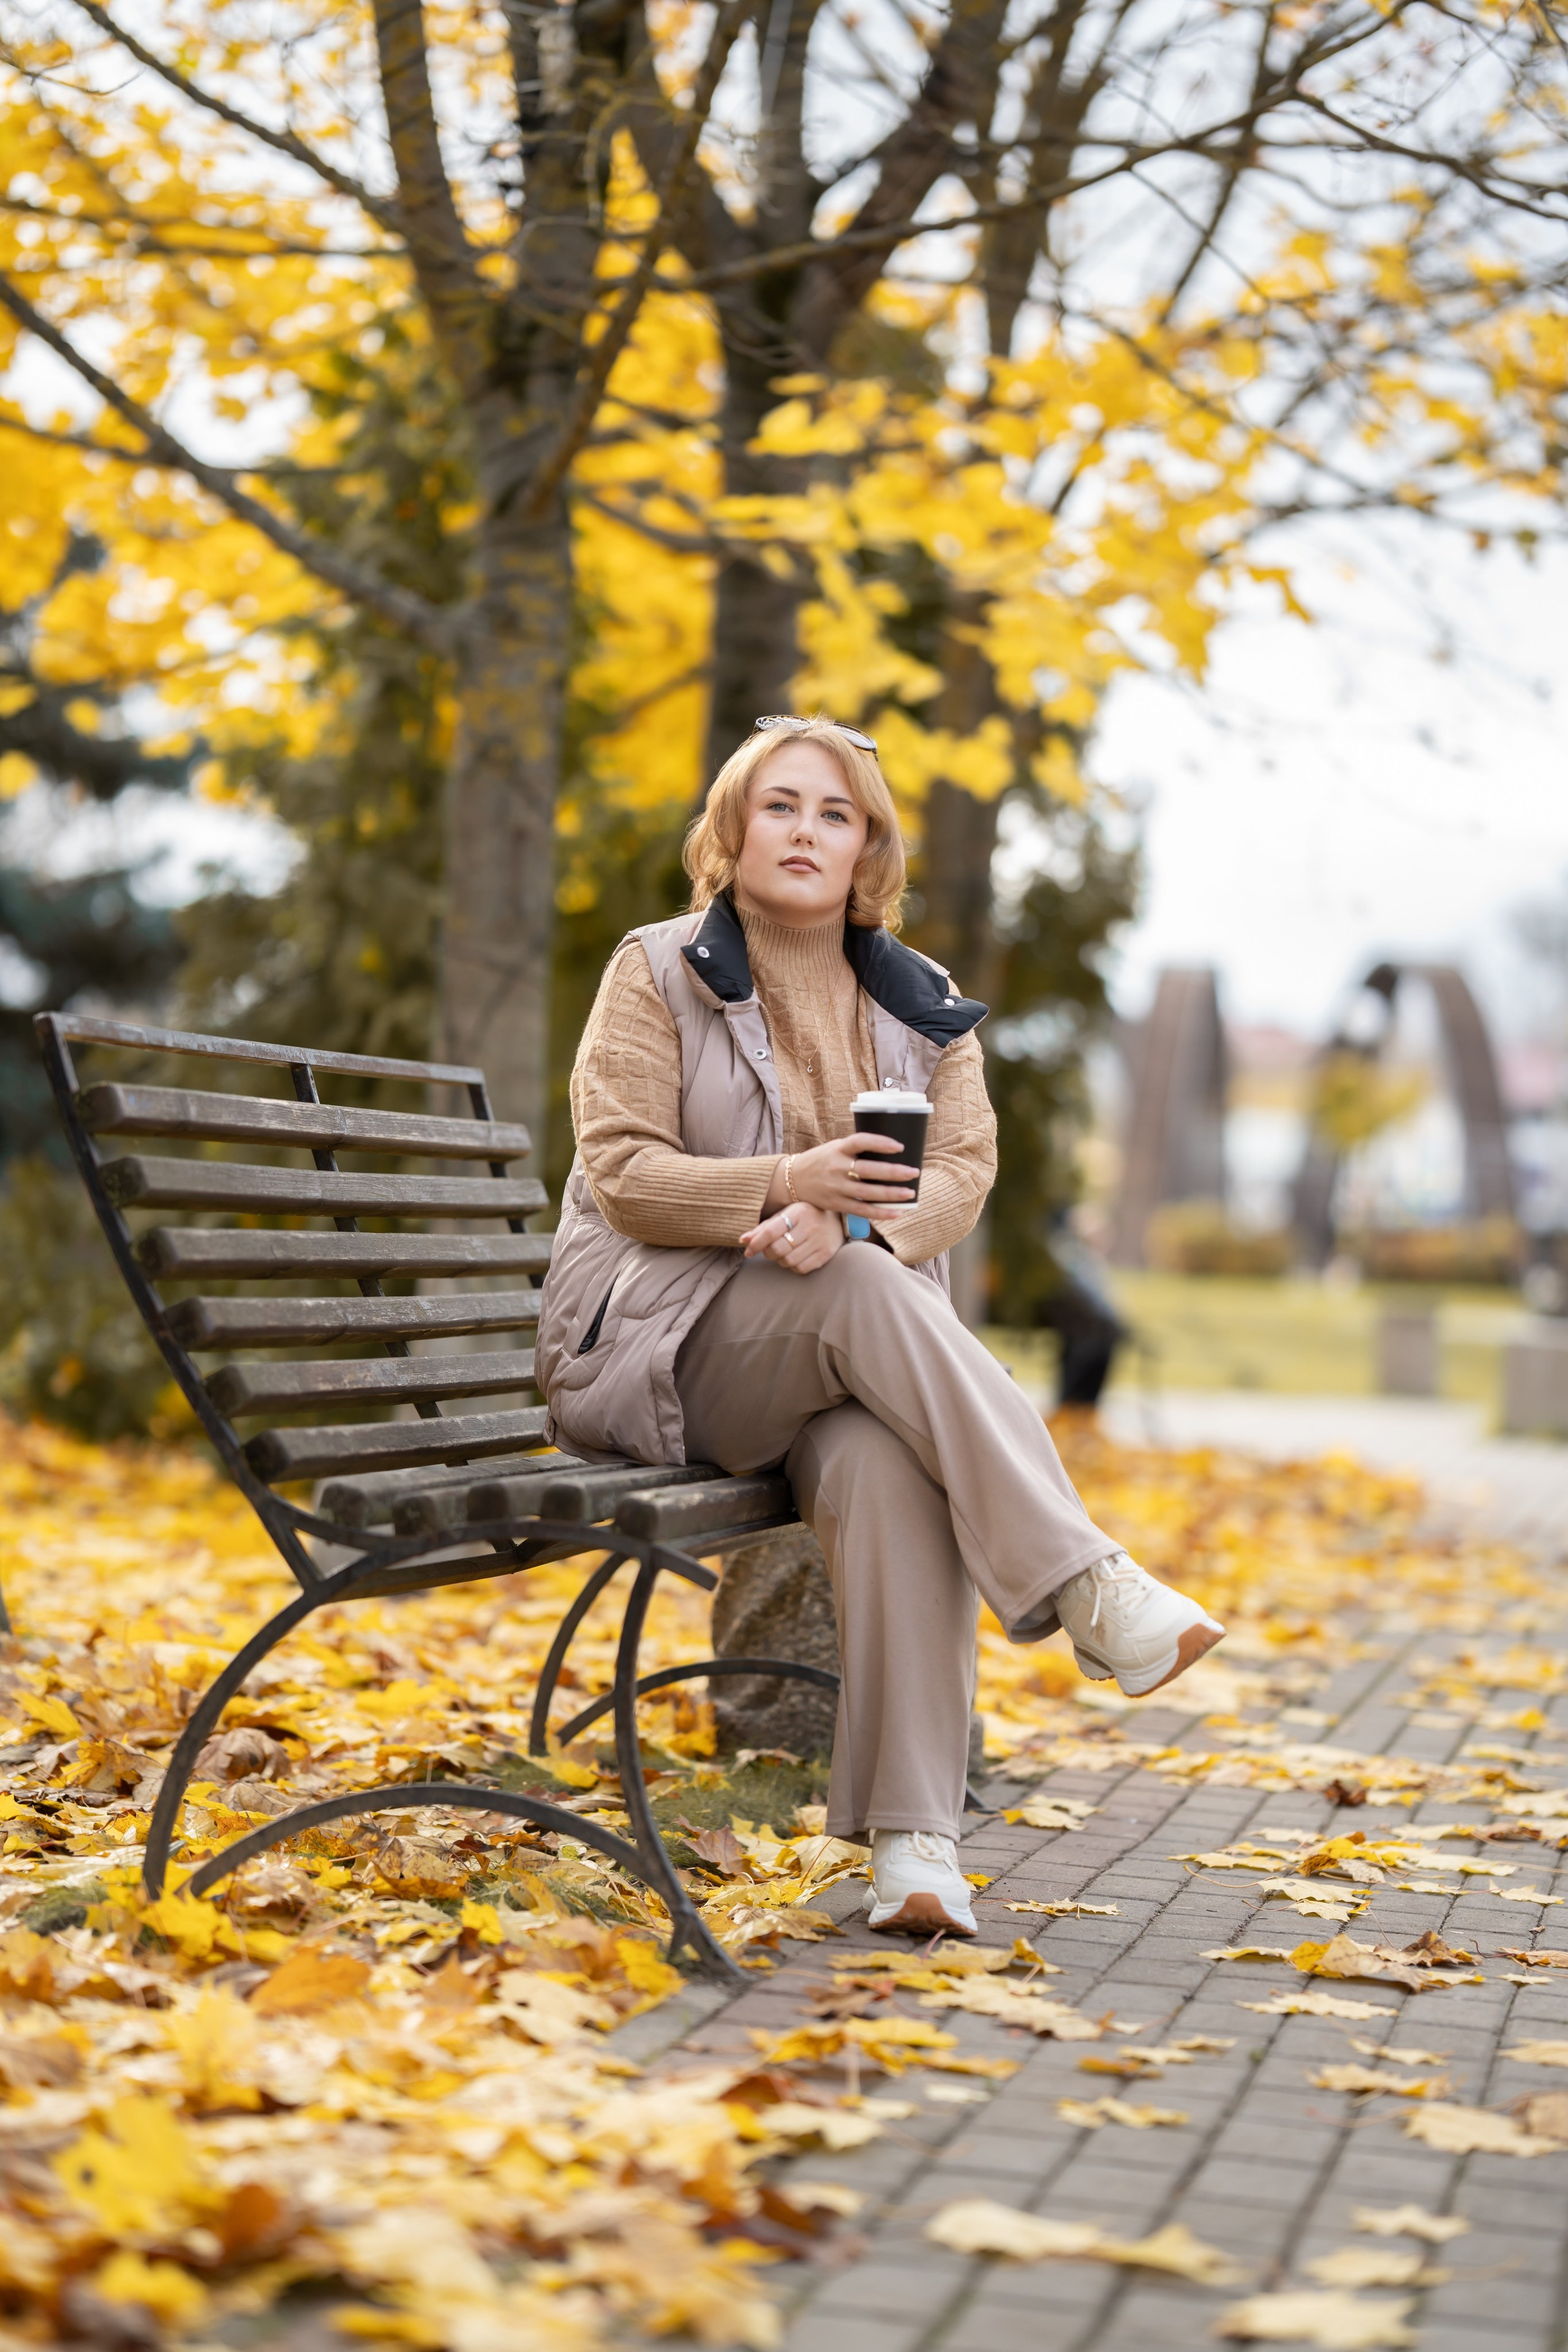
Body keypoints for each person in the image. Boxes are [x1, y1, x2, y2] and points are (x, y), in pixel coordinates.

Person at [537, 717, 1224, 1937]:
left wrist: (850, 1225)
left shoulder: (923, 1004)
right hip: (661, 1350)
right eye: (780, 806)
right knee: (860, 1293)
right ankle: (1086, 1583)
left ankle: (915, 1846)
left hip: (838, 1348)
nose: (806, 831)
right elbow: (626, 1174)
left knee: (886, 1459)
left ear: (869, 848)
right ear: (732, 831)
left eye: (835, 813)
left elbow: (960, 1170)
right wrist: (786, 1183)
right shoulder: (655, 971)